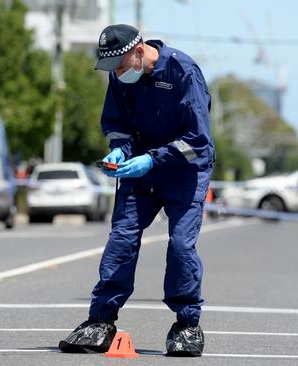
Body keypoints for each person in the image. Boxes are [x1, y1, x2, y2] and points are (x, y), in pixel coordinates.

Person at [58, 24, 214, 357]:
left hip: (184, 170)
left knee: (182, 245)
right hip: (141, 168)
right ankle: (100, 320)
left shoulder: (183, 71)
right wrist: (120, 150)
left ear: (140, 50)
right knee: (122, 238)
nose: (117, 73)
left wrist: (152, 160)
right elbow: (117, 125)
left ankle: (187, 326)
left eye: (121, 65)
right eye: (112, 68)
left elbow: (198, 141)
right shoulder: (120, 76)